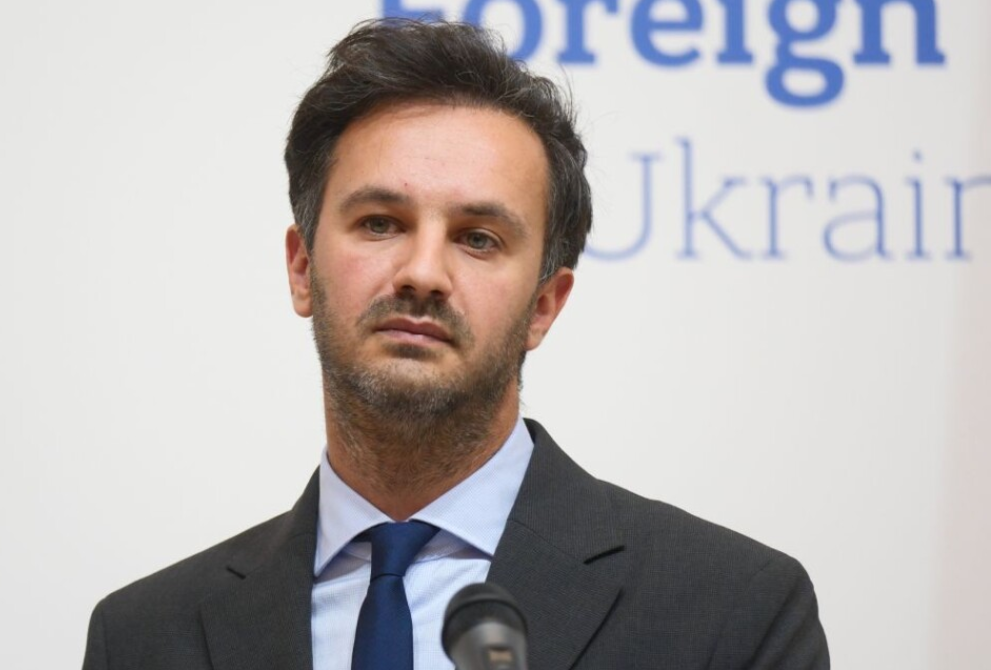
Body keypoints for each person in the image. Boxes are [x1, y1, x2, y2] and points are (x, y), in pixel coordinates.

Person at [81, 19, 828, 670]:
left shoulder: (733, 612)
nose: (423, 273)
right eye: (380, 223)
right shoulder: (146, 636)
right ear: (302, 268)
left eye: (478, 238)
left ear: (544, 305)